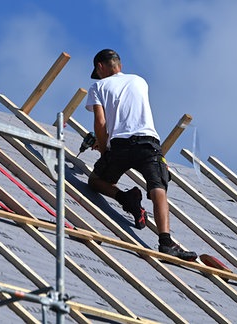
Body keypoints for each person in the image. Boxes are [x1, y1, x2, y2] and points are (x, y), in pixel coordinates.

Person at [85, 49, 196, 261]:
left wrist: (103, 145)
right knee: (158, 187)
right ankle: (165, 242)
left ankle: (126, 198)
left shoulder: (98, 86)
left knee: (96, 181)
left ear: (100, 67)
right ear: (119, 65)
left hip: (120, 146)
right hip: (148, 143)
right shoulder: (139, 81)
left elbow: (100, 122)